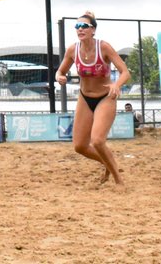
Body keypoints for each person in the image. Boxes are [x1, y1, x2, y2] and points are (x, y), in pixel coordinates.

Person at [56, 11, 131, 185]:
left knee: (97, 140)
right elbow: (60, 71)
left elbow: (125, 72)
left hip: (105, 97)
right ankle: (108, 163)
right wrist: (59, 77)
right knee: (80, 146)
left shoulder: (103, 47)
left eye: (84, 26)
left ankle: (118, 180)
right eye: (77, 26)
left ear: (93, 30)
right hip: (85, 97)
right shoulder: (73, 49)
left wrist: (116, 85)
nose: (80, 29)